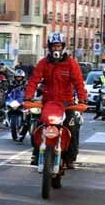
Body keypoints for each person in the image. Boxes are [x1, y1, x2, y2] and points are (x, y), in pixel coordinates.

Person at [25, 32, 87, 167]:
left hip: (66, 104)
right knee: (38, 126)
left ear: (63, 47)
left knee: (73, 127)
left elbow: (79, 83)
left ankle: (70, 158)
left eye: (58, 46)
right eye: (53, 46)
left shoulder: (71, 64)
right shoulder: (43, 63)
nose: (56, 49)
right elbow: (34, 80)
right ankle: (36, 153)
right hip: (48, 103)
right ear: (49, 47)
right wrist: (28, 97)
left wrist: (82, 100)